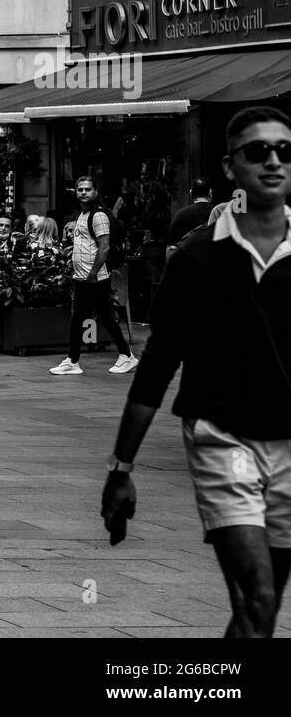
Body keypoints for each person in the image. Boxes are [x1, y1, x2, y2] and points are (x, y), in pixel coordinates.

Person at [101, 105, 291, 638]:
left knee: (263, 609)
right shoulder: (197, 258)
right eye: (258, 151)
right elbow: (157, 366)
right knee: (257, 597)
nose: (273, 162)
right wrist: (121, 469)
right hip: (221, 436)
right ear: (231, 167)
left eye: (284, 151)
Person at [50, 175, 138, 376]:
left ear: (95, 192)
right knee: (87, 317)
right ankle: (74, 360)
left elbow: (104, 248)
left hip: (93, 278)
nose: (83, 193)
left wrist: (92, 273)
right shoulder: (82, 215)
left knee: (98, 317)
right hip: (83, 278)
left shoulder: (97, 216)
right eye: (80, 189)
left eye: (87, 189)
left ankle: (126, 356)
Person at [167, 178, 214, 248]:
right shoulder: (219, 212)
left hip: (188, 257)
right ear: (210, 192)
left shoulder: (181, 214)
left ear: (191, 193)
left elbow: (171, 245)